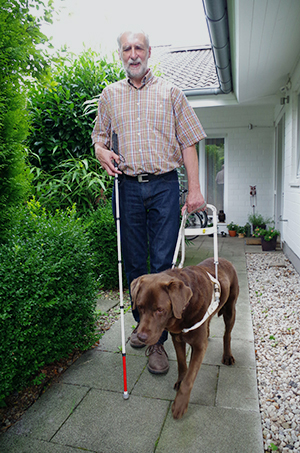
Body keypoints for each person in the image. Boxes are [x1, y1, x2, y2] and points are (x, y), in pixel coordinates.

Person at [92, 30, 206, 375]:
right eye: (126, 48)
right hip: (127, 186)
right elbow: (98, 138)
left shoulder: (171, 92)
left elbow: (188, 142)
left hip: (164, 187)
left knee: (163, 263)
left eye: (138, 47)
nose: (132, 54)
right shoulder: (109, 96)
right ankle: (144, 330)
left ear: (149, 52)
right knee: (133, 264)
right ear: (120, 55)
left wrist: (195, 189)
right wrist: (101, 152)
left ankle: (159, 343)